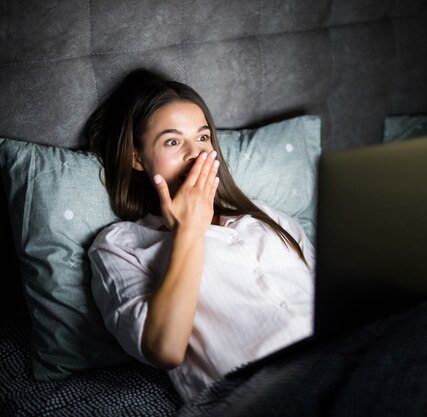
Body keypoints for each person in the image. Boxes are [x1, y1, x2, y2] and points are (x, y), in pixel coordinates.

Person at [87, 68, 315, 402]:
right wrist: (189, 232)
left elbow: (332, 299)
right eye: (173, 141)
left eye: (203, 138)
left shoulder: (266, 217)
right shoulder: (119, 245)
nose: (196, 155)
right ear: (137, 158)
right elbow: (164, 350)